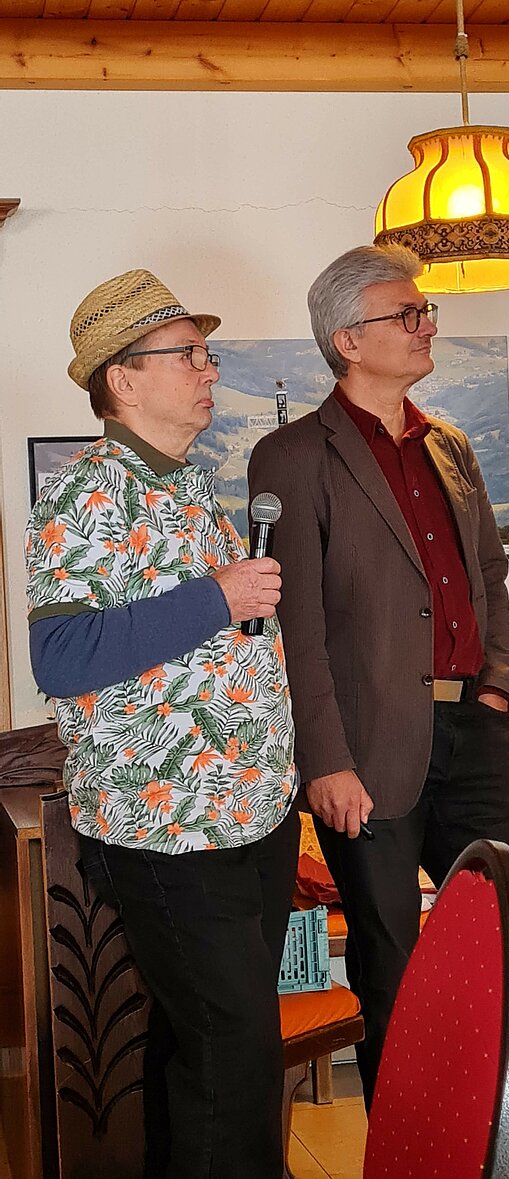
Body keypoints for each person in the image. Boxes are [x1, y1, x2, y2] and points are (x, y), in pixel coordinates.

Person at [248, 244, 509, 1179]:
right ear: (348, 340)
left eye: (426, 310)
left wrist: (498, 683)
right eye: (407, 313)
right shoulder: (293, 456)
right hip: (364, 755)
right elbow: (296, 630)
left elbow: (488, 584)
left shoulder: (450, 446)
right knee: (393, 971)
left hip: (470, 739)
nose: (427, 324)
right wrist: (325, 759)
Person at [25, 269, 299, 1179]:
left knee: (203, 1047)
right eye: (187, 354)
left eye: (205, 354)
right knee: (237, 1054)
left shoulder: (188, 487)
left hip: (249, 813)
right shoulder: (85, 493)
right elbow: (62, 657)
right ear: (123, 378)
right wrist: (217, 596)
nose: (209, 370)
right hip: (169, 826)